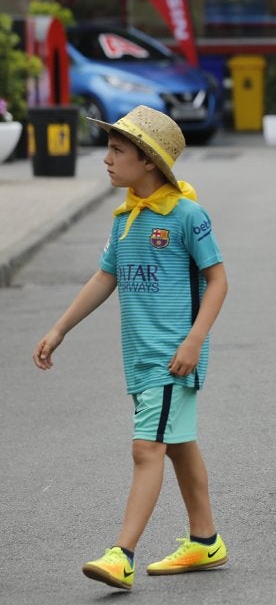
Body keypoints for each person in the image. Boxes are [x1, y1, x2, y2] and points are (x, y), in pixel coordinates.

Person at [32, 106, 228, 590]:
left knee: (147, 450)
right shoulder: (124, 219)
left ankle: (123, 554)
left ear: (148, 162)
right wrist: (60, 329)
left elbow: (218, 281)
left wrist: (194, 340)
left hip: (172, 358)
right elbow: (105, 276)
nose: (107, 159)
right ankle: (205, 540)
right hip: (141, 359)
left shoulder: (187, 215)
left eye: (118, 150)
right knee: (179, 447)